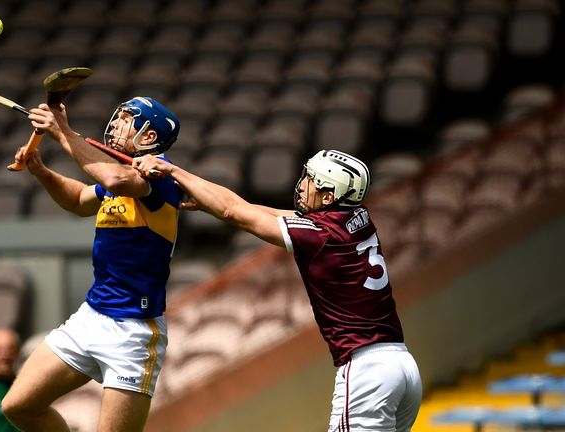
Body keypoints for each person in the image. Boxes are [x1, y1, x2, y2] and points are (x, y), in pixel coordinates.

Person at [132, 149, 422, 432]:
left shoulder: (319, 235)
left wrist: (171, 170)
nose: (304, 184)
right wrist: (208, 200)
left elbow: (234, 212)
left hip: (366, 371)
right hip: (403, 367)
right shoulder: (356, 217)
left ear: (329, 197)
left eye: (312, 180)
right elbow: (256, 211)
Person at [1, 96, 183, 432]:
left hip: (134, 332)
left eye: (128, 118)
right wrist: (40, 170)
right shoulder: (116, 178)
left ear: (148, 137)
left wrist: (62, 132)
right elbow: (79, 199)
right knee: (19, 406)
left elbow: (115, 179)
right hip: (92, 316)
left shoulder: (158, 177)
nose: (115, 122)